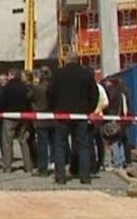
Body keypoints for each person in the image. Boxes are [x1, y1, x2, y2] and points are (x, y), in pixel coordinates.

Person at [48, 52, 98, 185]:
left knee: (60, 146)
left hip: (62, 115)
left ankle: (60, 177)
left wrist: (54, 109)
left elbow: (50, 93)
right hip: (81, 115)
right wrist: (89, 110)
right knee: (83, 146)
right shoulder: (86, 74)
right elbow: (94, 94)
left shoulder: (58, 74)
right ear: (78, 61)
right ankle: (85, 176)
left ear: (65, 60)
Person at [2, 68, 33, 173]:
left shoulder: (7, 87)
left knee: (7, 142)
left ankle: (7, 167)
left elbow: (3, 101)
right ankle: (28, 166)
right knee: (23, 141)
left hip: (9, 116)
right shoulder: (24, 87)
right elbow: (28, 100)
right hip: (23, 116)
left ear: (11, 75)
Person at [31, 66, 54, 176]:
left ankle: (42, 168)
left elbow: (30, 98)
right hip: (53, 117)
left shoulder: (37, 88)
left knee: (42, 144)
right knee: (55, 143)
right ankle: (57, 165)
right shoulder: (53, 87)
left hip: (41, 117)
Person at [104, 77, 130, 169]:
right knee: (120, 140)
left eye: (107, 81)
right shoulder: (122, 92)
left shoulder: (111, 92)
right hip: (121, 118)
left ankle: (116, 162)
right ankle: (122, 160)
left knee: (113, 140)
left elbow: (107, 105)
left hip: (111, 118)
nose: (105, 83)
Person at [90, 80, 110, 173]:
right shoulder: (100, 88)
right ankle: (99, 164)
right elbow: (106, 103)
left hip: (89, 117)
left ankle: (92, 163)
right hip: (98, 117)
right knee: (99, 142)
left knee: (89, 142)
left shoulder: (88, 87)